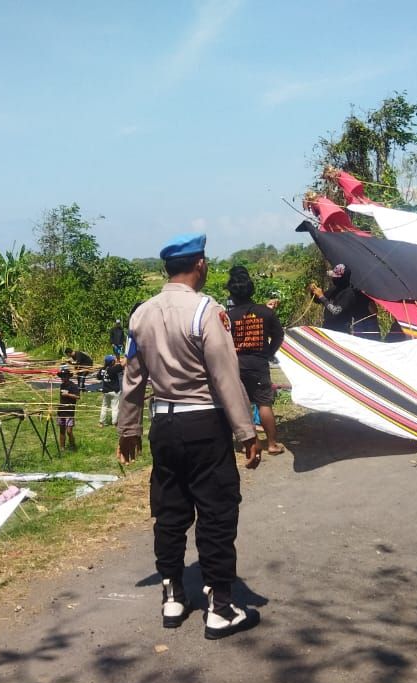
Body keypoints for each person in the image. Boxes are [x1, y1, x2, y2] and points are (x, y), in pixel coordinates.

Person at [117, 232, 261, 639]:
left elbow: (133, 377)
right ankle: (221, 607)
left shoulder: (141, 314)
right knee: (216, 510)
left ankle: (173, 594)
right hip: (204, 424)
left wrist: (129, 428)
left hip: (164, 424)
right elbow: (223, 374)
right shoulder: (206, 311)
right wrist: (245, 432)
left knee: (170, 509)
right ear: (200, 264)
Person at [226, 265, 286, 455]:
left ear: (232, 293)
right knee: (264, 404)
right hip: (259, 364)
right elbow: (279, 335)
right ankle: (272, 444)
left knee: (238, 405)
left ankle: (248, 445)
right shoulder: (265, 312)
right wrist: (269, 352)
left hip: (236, 365)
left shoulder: (227, 317)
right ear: (252, 290)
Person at [308, 264, 377, 338]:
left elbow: (336, 311)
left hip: (340, 334)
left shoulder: (349, 294)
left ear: (341, 279)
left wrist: (321, 296)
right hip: (327, 329)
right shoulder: (334, 290)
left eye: (335, 276)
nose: (333, 278)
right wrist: (313, 292)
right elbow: (318, 300)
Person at [56, 365, 80, 451]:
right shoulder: (62, 385)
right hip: (61, 411)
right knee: (62, 430)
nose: (62, 378)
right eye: (61, 376)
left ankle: (73, 445)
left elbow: (77, 397)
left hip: (69, 411)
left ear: (68, 377)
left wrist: (68, 395)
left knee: (69, 431)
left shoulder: (73, 386)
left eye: (64, 376)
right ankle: (62, 448)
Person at [97, 355, 123, 426]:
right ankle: (115, 422)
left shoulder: (102, 369)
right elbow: (122, 365)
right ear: (112, 362)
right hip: (114, 391)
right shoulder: (114, 369)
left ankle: (101, 422)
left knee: (104, 407)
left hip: (106, 391)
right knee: (114, 407)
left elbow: (98, 377)